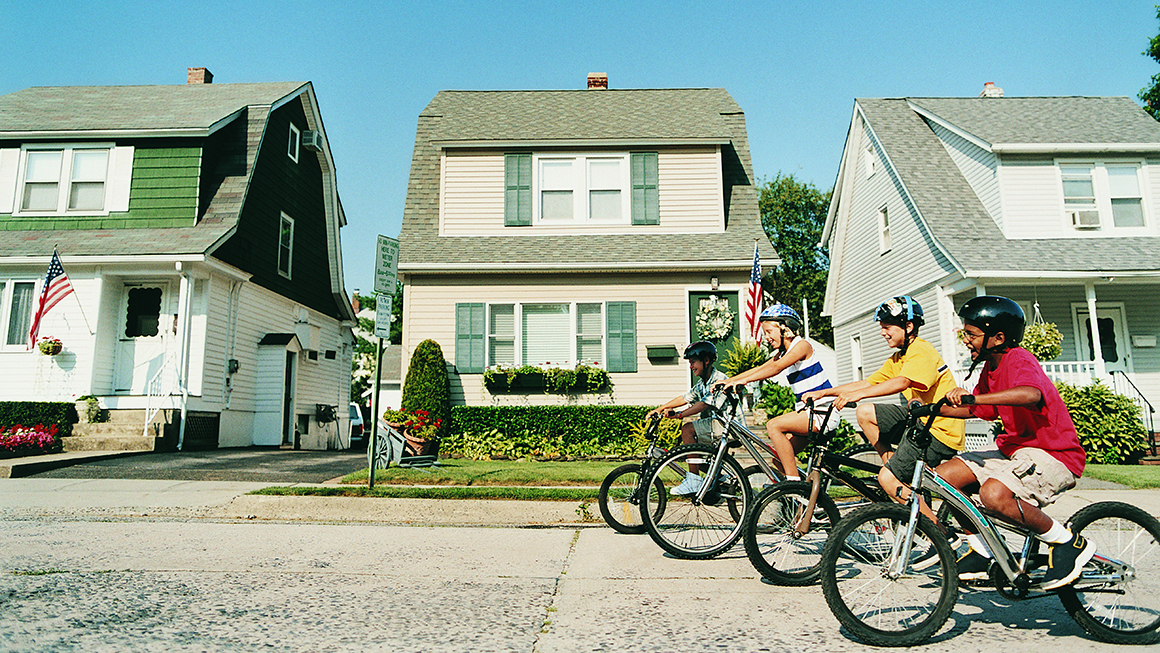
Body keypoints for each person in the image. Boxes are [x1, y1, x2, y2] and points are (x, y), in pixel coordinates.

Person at [936, 295, 1091, 589]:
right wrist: (930, 408)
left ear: (998, 337)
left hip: (1054, 454)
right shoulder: (990, 368)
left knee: (993, 495)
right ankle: (982, 550)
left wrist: (974, 397)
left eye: (971, 334)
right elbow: (978, 409)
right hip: (1016, 451)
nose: (965, 340)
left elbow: (1030, 394)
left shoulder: (1018, 359)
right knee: (943, 478)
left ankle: (1068, 543)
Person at [802, 296, 964, 508]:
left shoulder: (921, 351)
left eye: (887, 327)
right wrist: (824, 393)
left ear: (908, 326)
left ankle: (938, 531)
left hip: (939, 432)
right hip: (920, 421)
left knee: (887, 479)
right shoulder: (899, 358)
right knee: (865, 413)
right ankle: (894, 469)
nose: (882, 332)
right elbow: (866, 383)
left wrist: (859, 395)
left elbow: (902, 382)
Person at [717, 303, 834, 481]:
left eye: (769, 331)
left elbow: (777, 367)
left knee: (773, 425)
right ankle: (805, 498)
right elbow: (763, 367)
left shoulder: (802, 346)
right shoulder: (784, 352)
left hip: (822, 413)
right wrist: (730, 380)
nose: (766, 337)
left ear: (785, 328)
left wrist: (744, 381)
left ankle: (794, 486)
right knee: (780, 458)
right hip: (810, 414)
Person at [647, 340, 742, 495]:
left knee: (688, 430)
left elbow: (704, 405)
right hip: (717, 426)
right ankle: (724, 479)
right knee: (691, 454)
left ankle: (693, 481)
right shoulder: (702, 383)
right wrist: (660, 408)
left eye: (693, 362)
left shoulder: (719, 379)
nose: (691, 367)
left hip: (729, 426)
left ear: (706, 361)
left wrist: (679, 415)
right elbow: (685, 398)